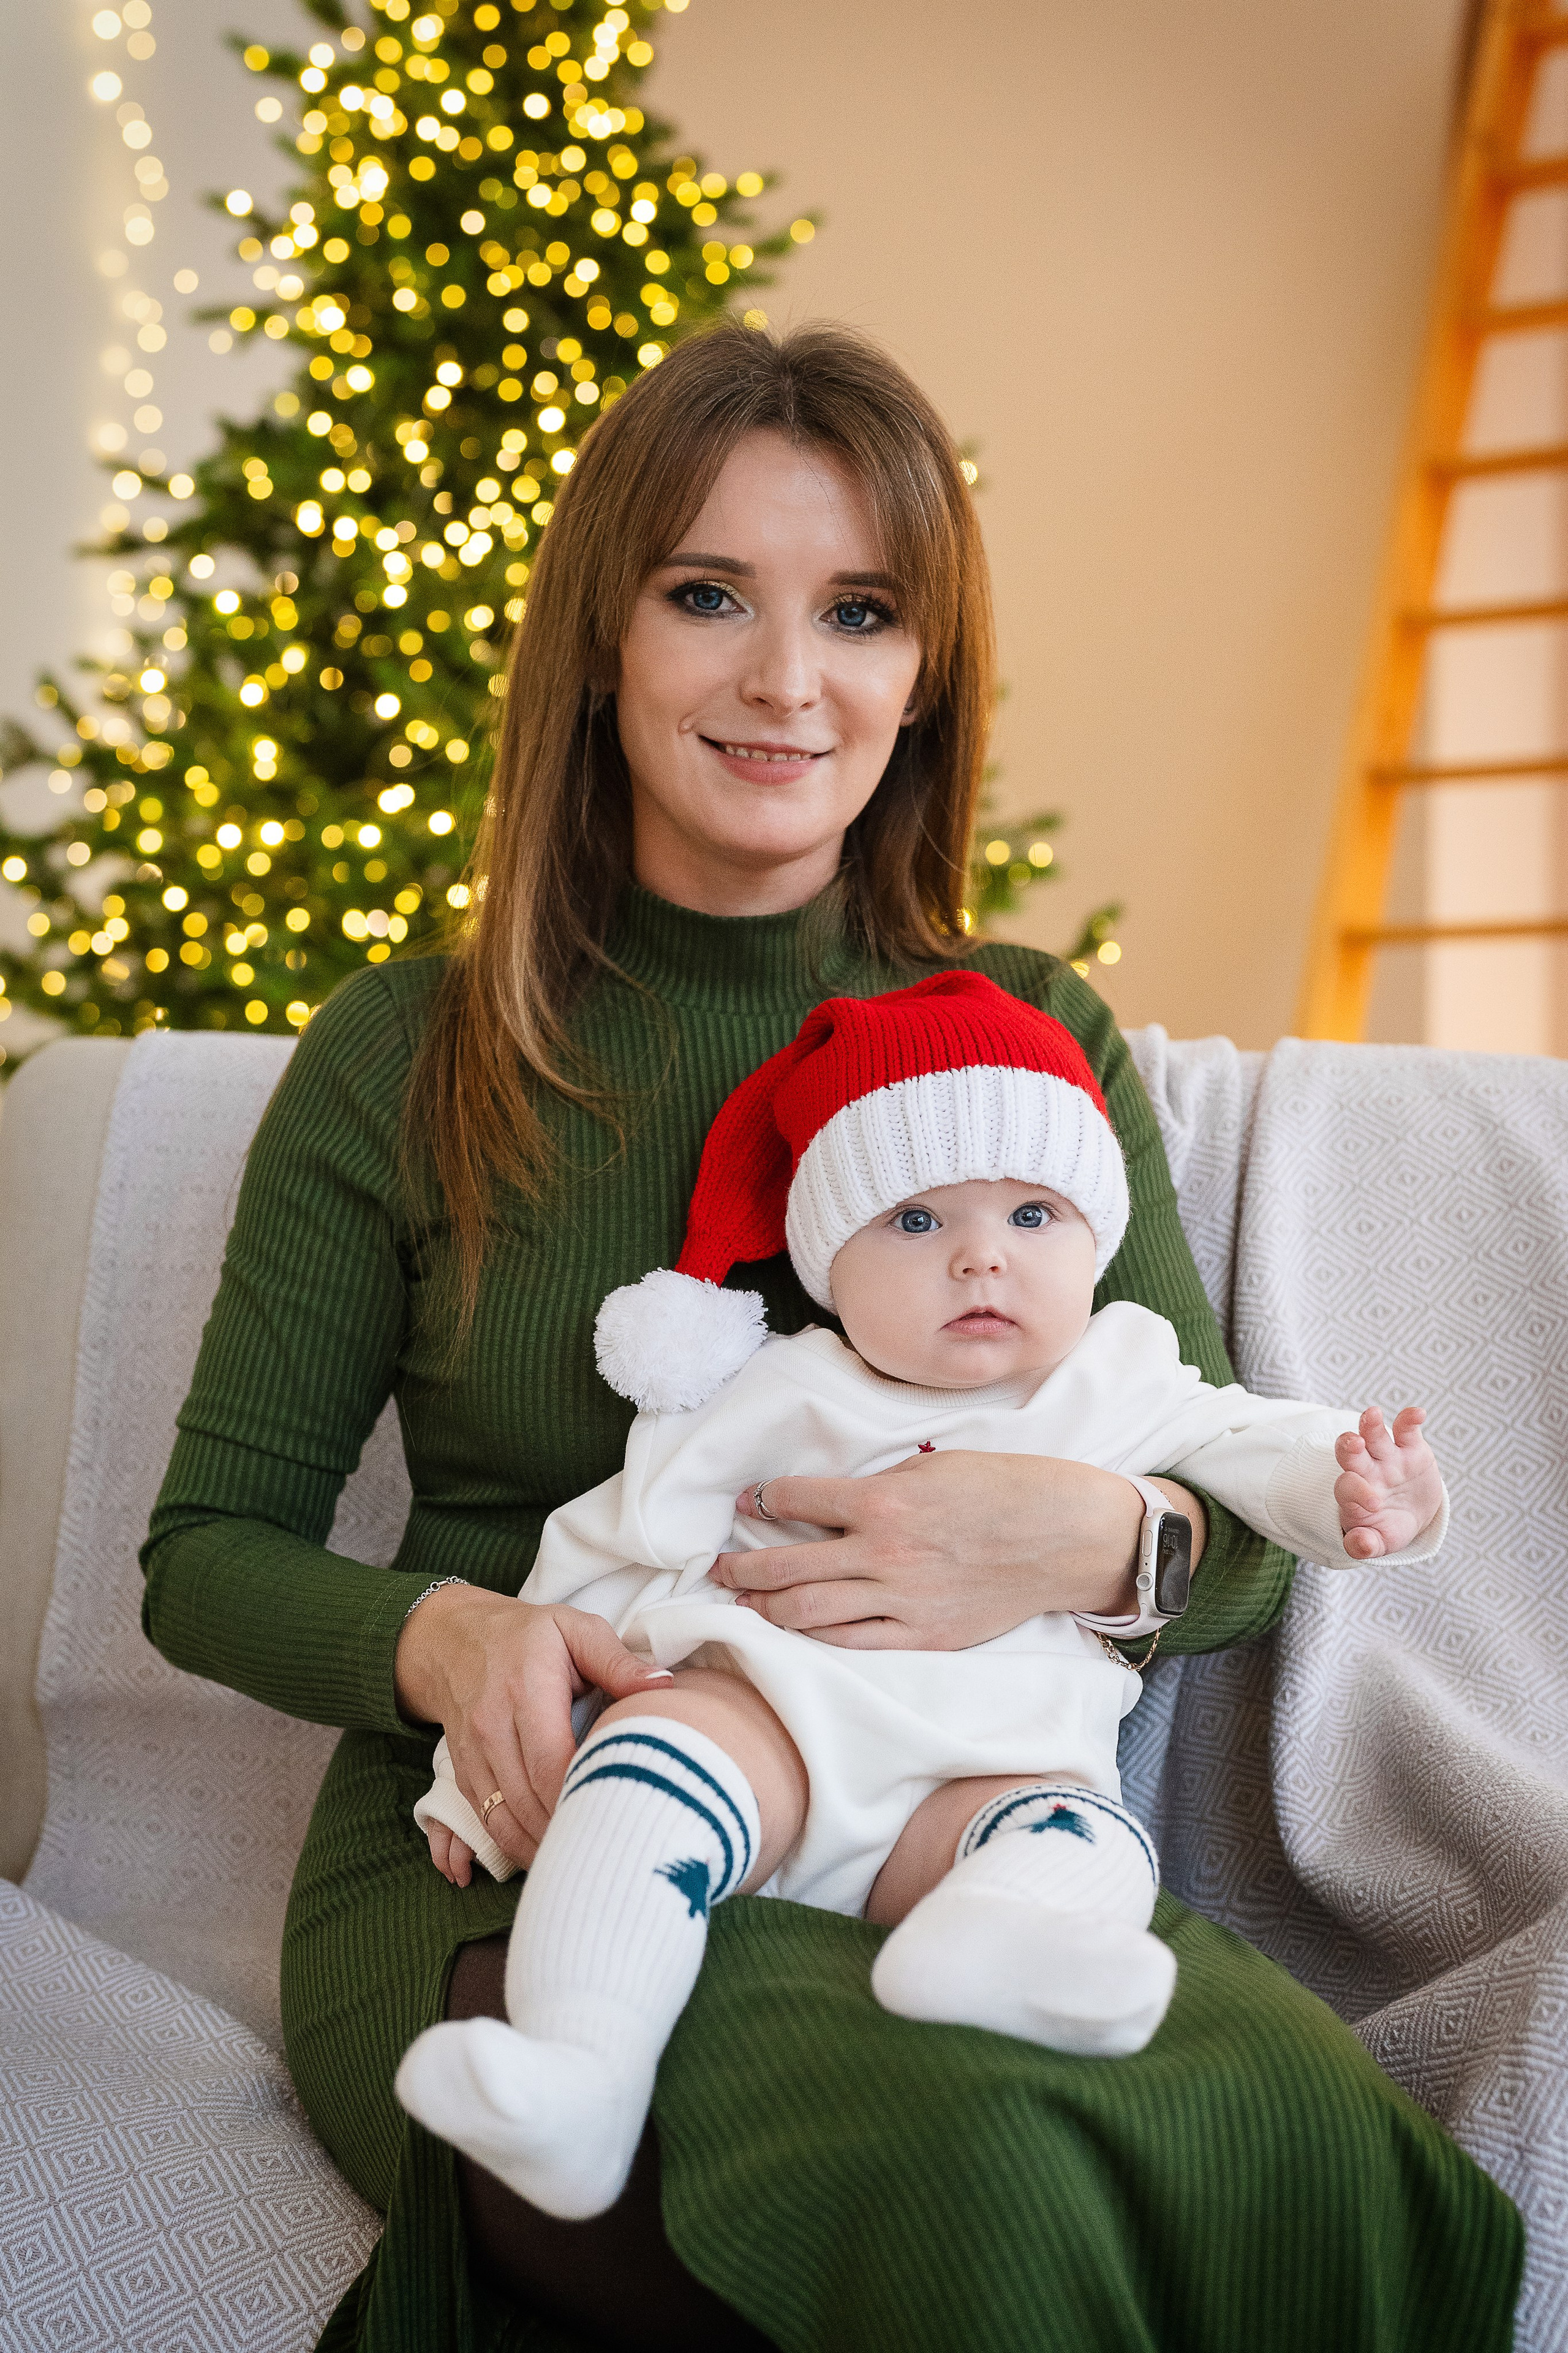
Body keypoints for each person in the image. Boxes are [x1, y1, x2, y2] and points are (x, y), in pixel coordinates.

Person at [140, 321, 1521, 2352]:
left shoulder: (1032, 1043)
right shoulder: (413, 1055)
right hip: (548, 1838)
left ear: (923, 673)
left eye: (859, 613)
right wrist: (445, 1640)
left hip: (954, 1818)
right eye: (711, 595)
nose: (790, 682)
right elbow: (205, 1556)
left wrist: (1098, 1542)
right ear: (602, 639)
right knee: (973, 2186)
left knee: (1296, 2134)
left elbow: (1213, 1487)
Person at [397, 969, 1449, 2223]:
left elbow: (1266, 1455)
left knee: (1082, 1840)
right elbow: (599, 1558)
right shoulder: (780, 1387)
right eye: (913, 1221)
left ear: (1094, 1236)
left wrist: (1369, 1496)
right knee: (642, 1763)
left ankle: (995, 1946)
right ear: (825, 1260)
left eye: (1031, 1213)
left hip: (983, 1776)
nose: (978, 1256)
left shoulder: (1123, 1376)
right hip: (768, 1728)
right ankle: (578, 2073)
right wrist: (483, 1763)